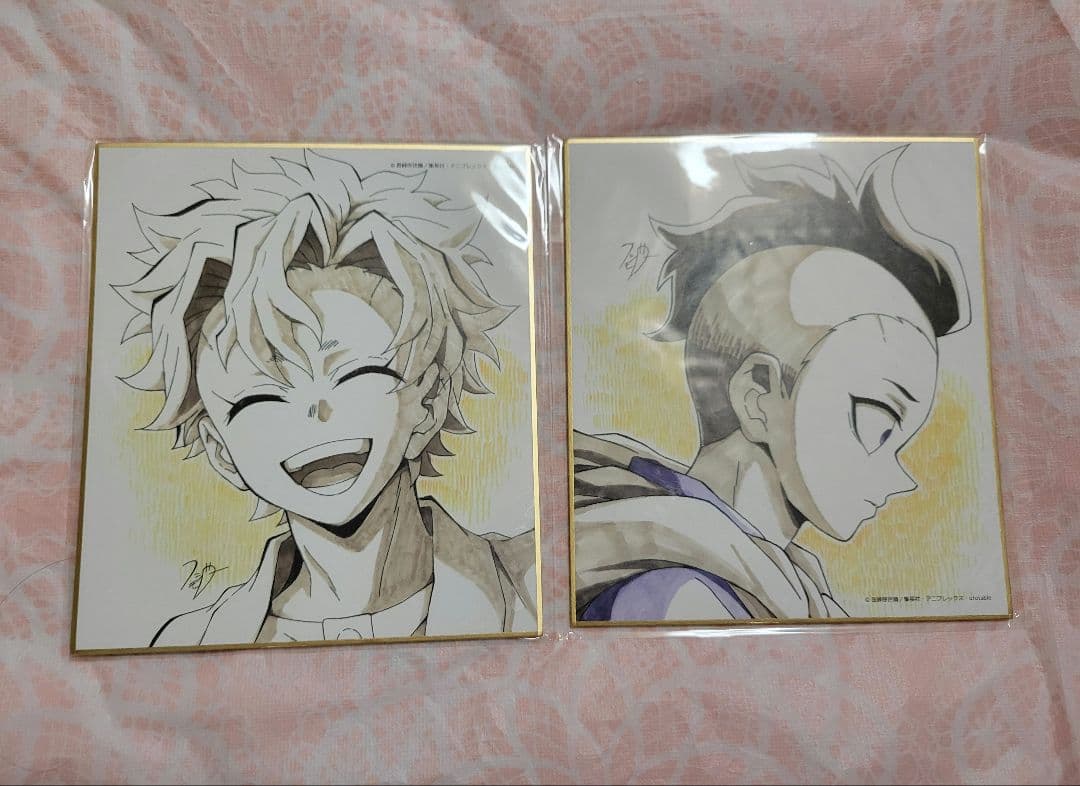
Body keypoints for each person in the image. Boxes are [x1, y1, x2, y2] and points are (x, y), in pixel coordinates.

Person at [114, 150, 536, 646]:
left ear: (429, 399)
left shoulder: (536, 587)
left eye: (355, 373)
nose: (315, 413)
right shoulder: (191, 642)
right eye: (259, 398)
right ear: (221, 451)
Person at [574, 146, 970, 622]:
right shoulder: (683, 596)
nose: (901, 479)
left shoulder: (779, 585)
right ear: (758, 396)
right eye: (878, 426)